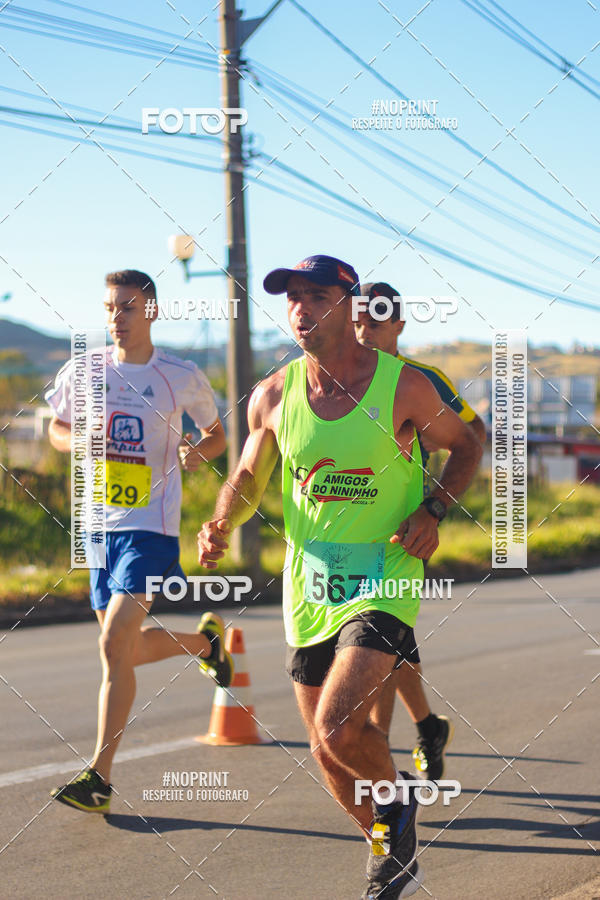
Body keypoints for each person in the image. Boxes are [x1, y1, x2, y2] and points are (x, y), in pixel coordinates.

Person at [197, 255, 482, 898]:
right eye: (292, 297)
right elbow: (246, 478)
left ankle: (398, 805)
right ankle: (392, 846)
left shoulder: (404, 386)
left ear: (352, 308)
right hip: (311, 581)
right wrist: (219, 522)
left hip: (386, 568)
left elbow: (466, 445)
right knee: (328, 753)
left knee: (337, 724)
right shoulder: (274, 395)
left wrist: (434, 508)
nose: (300, 308)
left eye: (315, 295)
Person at [46, 269, 232, 814]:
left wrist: (198, 452)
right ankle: (207, 646)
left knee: (112, 647)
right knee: (122, 648)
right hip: (100, 529)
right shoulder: (83, 371)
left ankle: (99, 777)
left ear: (151, 311)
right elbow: (56, 426)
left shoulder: (179, 374)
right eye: (109, 308)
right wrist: (73, 438)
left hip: (151, 529)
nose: (116, 318)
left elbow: (216, 434)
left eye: (127, 308)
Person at [355, 281, 486, 783]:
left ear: (400, 326)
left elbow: (473, 436)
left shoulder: (422, 379)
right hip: (345, 533)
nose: (365, 331)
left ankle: (379, 756)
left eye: (377, 322)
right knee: (391, 642)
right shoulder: (337, 374)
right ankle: (428, 727)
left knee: (378, 644)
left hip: (405, 531)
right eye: (359, 320)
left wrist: (434, 506)